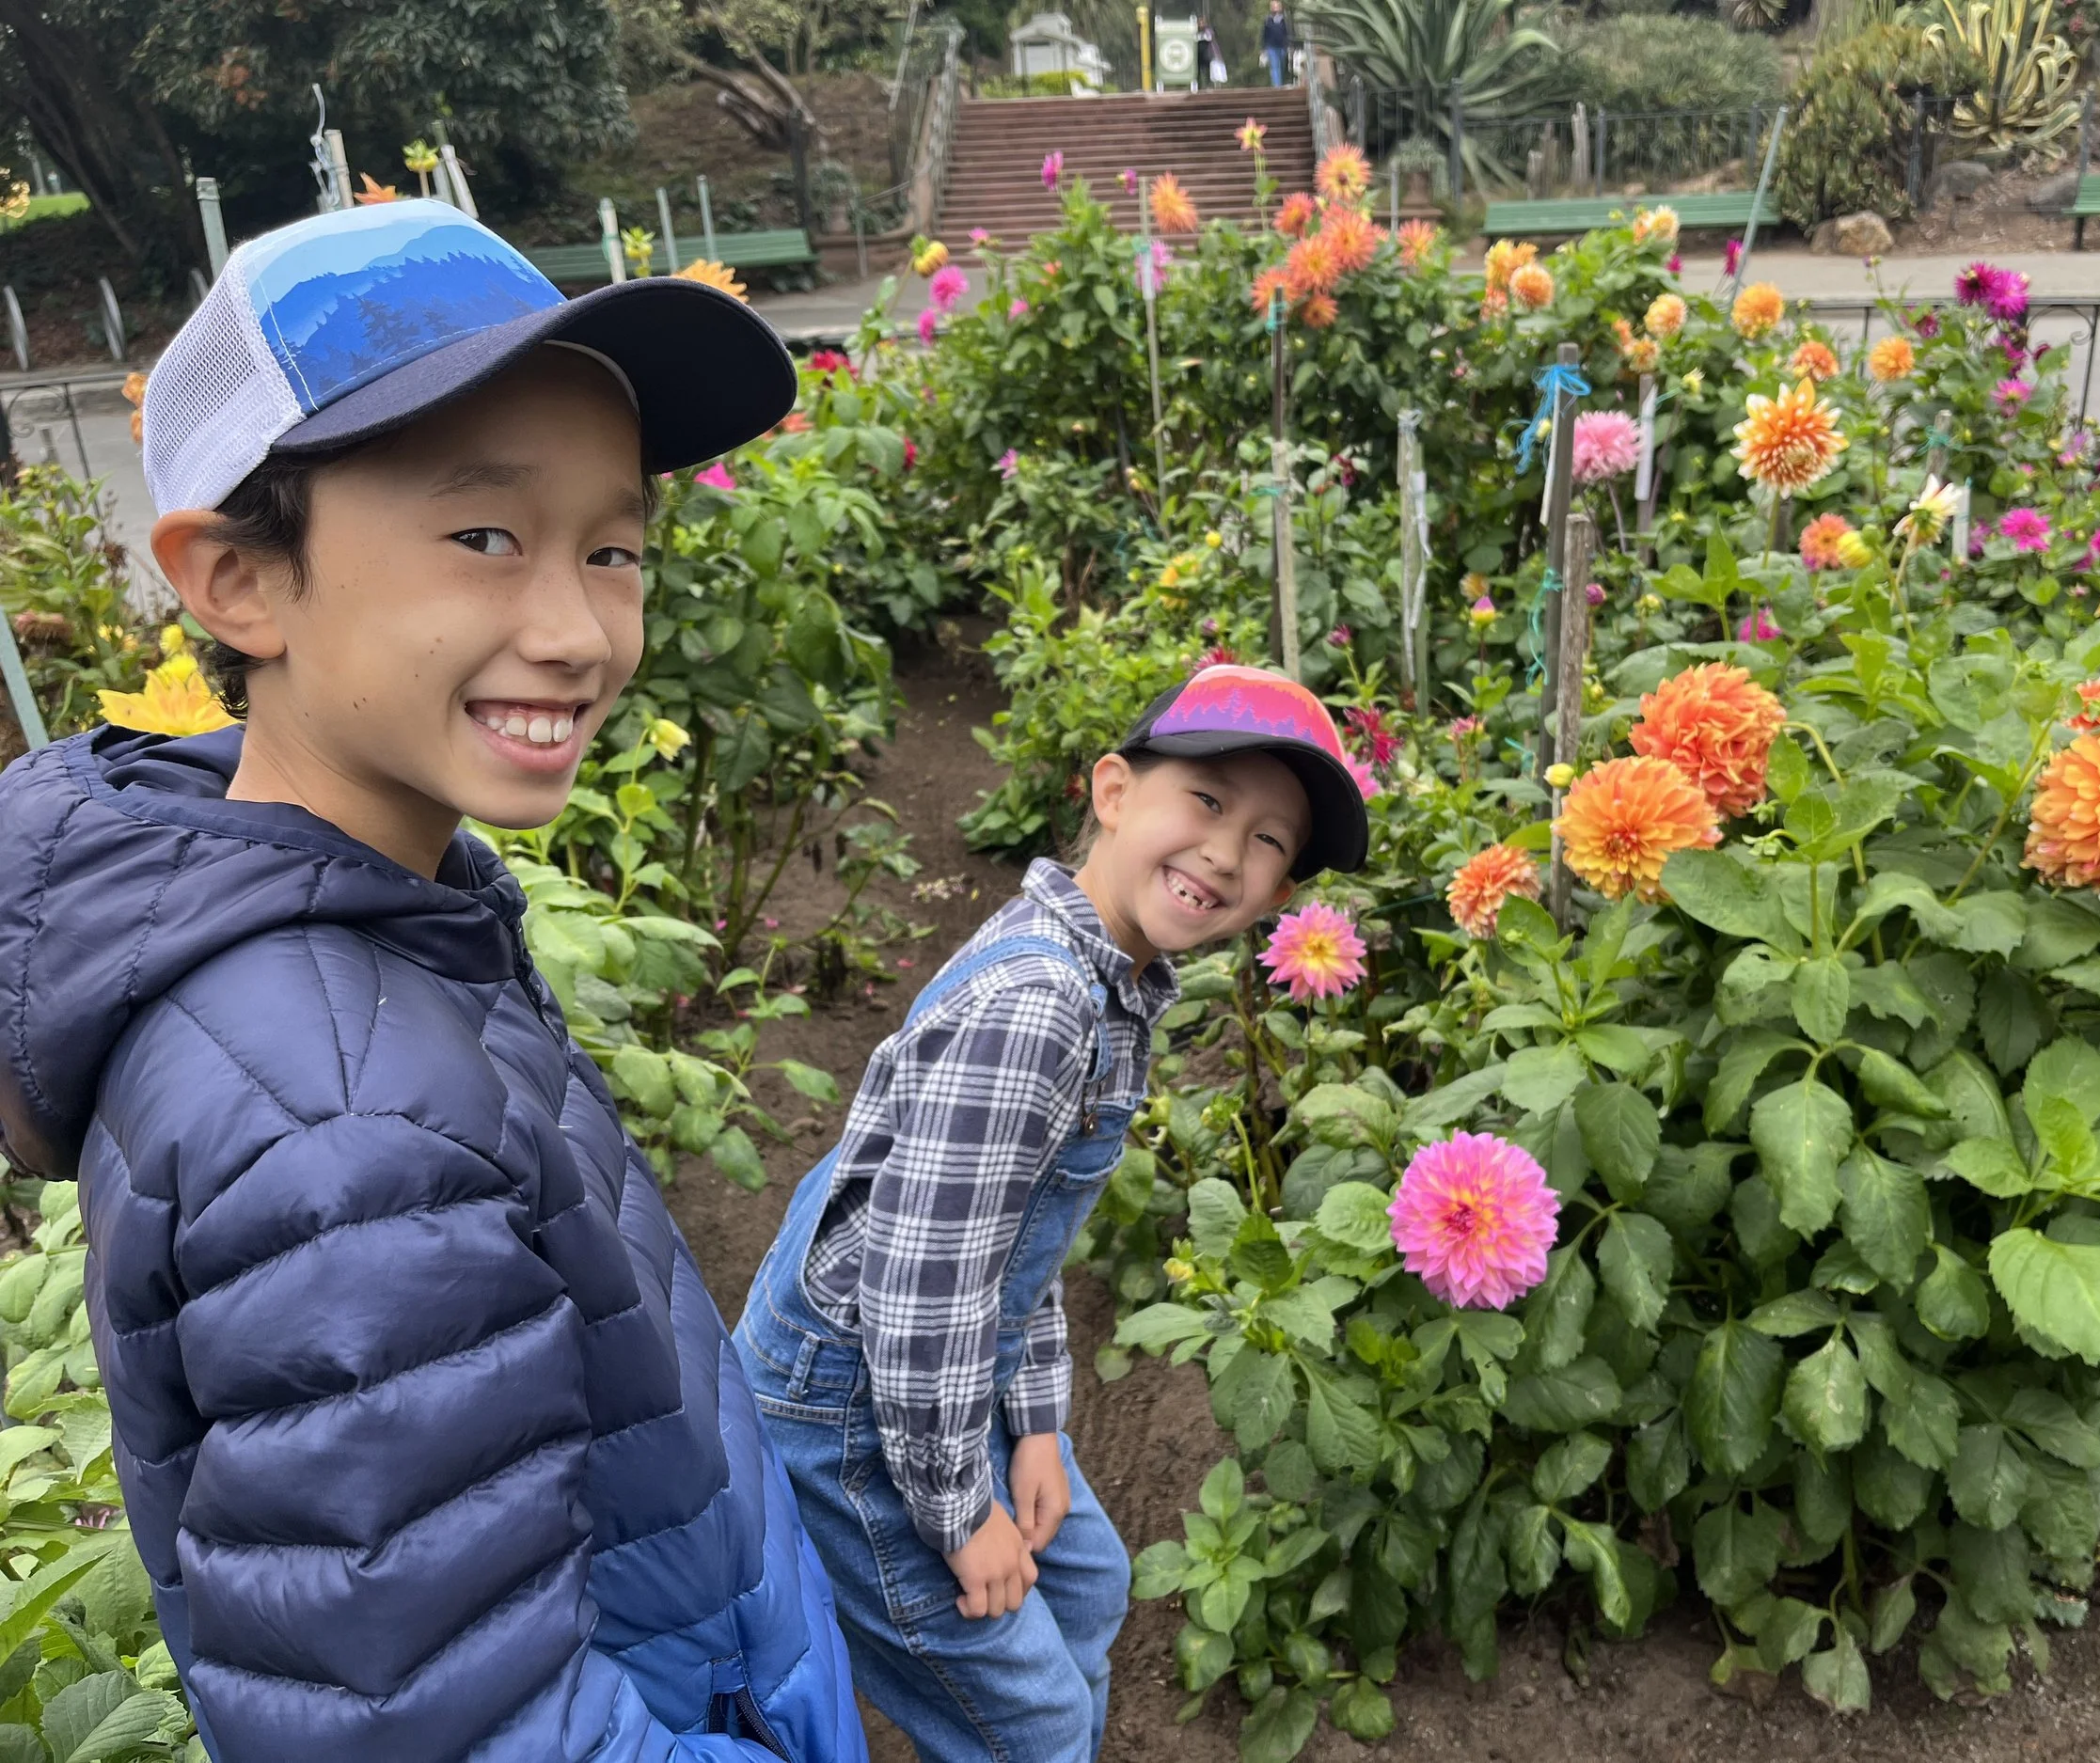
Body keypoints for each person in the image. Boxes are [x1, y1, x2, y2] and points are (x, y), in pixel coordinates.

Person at [0, 200, 867, 1763]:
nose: (577, 627)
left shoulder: (374, 920)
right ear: (241, 583)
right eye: (485, 537)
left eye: (614, 549)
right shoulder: (335, 1117)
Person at [736, 665, 1370, 1762]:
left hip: (941, 1365)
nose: (1226, 852)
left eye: (1270, 840)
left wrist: (1032, 1430)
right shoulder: (1040, 1006)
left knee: (1085, 1581)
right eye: (1208, 802)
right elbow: (921, 1292)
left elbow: (1009, 1254)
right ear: (1114, 791)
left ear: (1279, 895)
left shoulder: (1108, 977)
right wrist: (955, 1513)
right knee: (1031, 1724)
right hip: (851, 1406)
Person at [1261, 0, 1289, 86]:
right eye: (1274, 6)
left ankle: (1280, 83)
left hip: (1282, 46)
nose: (1276, 8)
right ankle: (1277, 86)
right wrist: (1263, 48)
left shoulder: (1284, 19)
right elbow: (1264, 34)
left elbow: (1287, 33)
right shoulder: (1268, 20)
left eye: (1277, 6)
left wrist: (1289, 45)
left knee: (1281, 65)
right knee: (1275, 66)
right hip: (1271, 46)